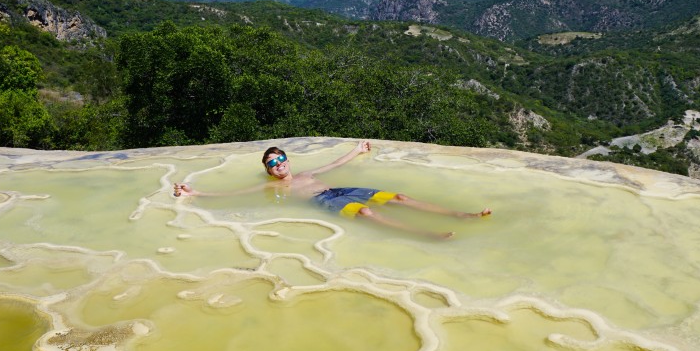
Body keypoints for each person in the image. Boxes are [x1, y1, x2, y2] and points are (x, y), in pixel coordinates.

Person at [174, 140, 490, 239]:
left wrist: (358, 150)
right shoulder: (271, 188)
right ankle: (426, 235)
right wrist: (195, 194)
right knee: (367, 213)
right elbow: (233, 196)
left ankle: (463, 215)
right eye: (273, 163)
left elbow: (334, 165)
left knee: (399, 197)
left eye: (281, 158)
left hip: (341, 189)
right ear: (268, 170)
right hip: (323, 201)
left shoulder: (308, 171)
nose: (280, 164)